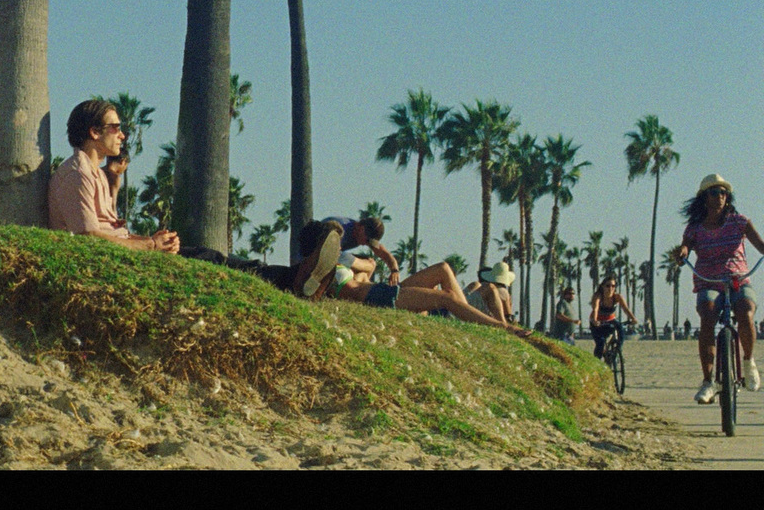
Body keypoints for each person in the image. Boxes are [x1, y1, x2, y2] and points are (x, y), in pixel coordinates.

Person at [48, 99, 339, 295]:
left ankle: (296, 277)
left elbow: (108, 231)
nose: (122, 135)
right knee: (210, 261)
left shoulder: (95, 172)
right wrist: (150, 246)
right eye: (115, 128)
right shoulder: (77, 173)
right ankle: (295, 280)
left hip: (126, 253)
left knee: (208, 256)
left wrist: (156, 241)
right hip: (110, 264)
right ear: (94, 132)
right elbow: (87, 236)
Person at [673, 174, 764, 404]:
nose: (720, 196)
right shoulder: (695, 228)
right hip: (708, 281)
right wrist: (683, 253)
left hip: (738, 279)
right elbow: (686, 246)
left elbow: (760, 244)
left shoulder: (739, 221)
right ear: (705, 198)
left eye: (723, 192)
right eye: (714, 192)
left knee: (745, 311)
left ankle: (749, 361)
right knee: (708, 314)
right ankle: (707, 381)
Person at [320, 259, 531, 335]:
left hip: (382, 291)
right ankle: (501, 327)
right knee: (447, 296)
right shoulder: (326, 272)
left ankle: (463, 313)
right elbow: (367, 264)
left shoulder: (342, 266)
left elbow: (369, 266)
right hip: (379, 297)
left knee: (443, 268)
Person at [588, 275, 637, 360]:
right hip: (597, 322)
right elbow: (595, 309)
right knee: (600, 343)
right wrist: (595, 321)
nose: (610, 288)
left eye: (613, 286)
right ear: (603, 286)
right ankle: (597, 361)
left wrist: (633, 318)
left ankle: (618, 350)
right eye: (607, 286)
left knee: (620, 329)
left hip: (610, 320)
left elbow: (625, 309)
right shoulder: (598, 296)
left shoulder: (617, 297)